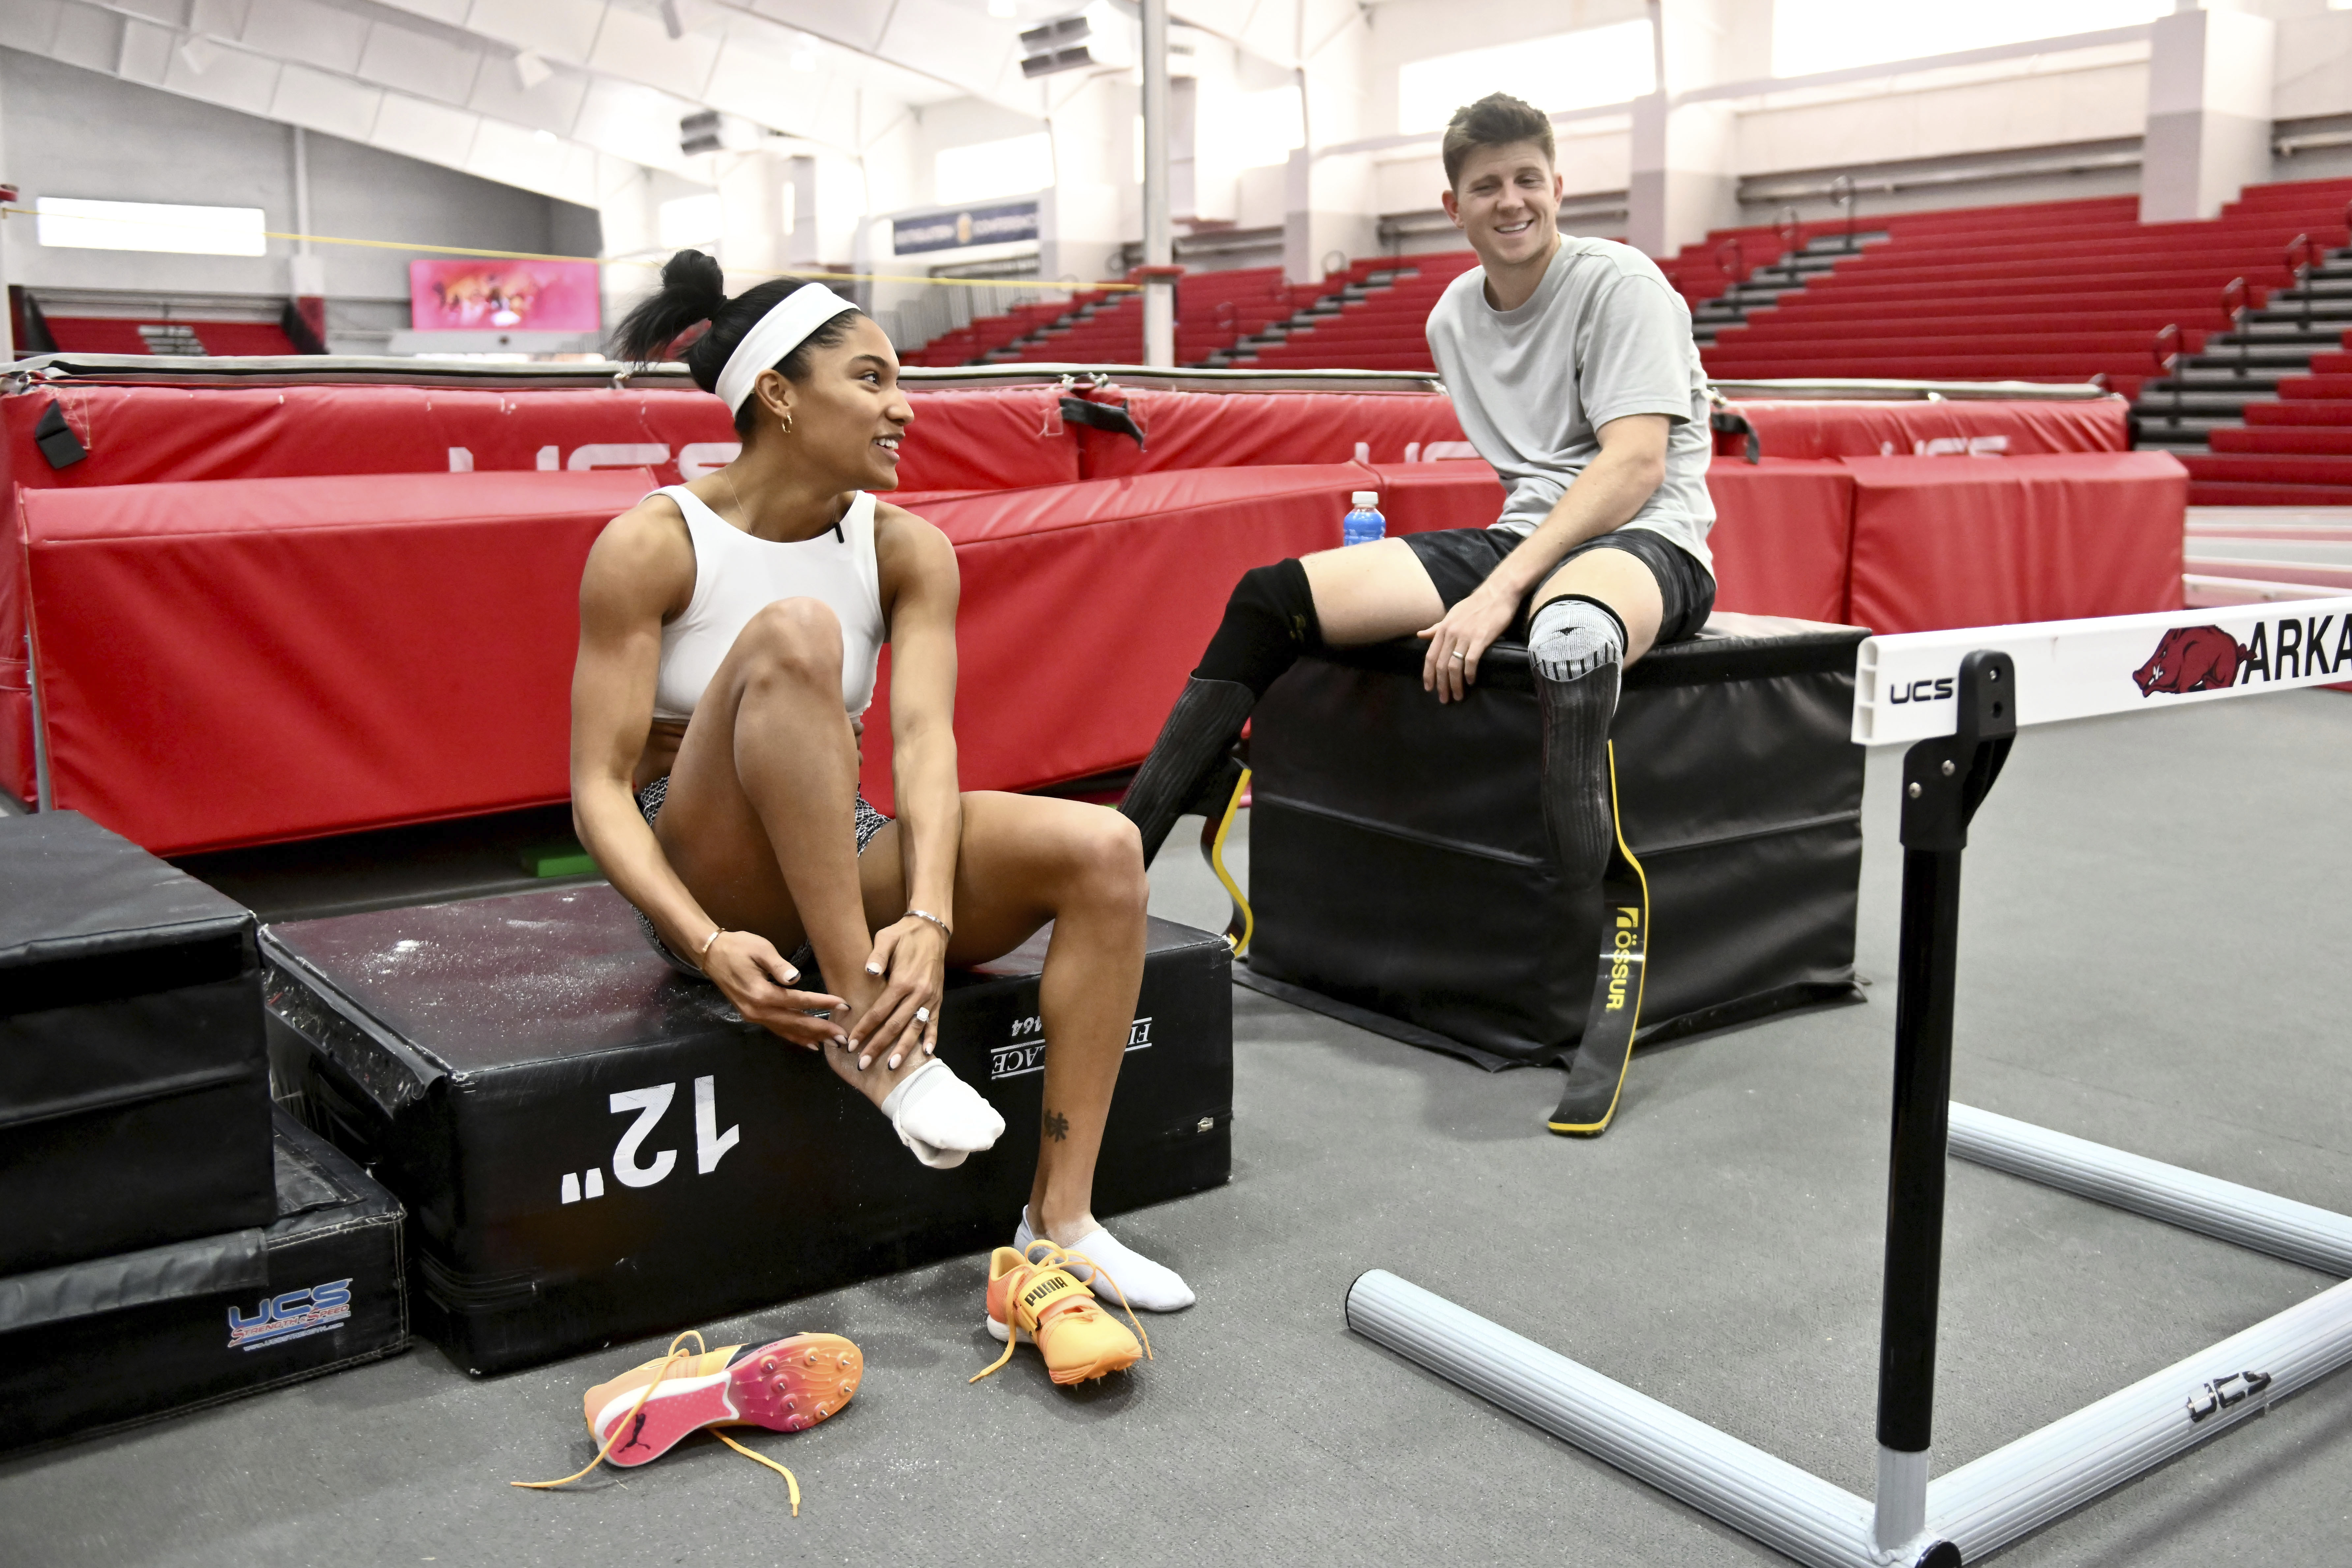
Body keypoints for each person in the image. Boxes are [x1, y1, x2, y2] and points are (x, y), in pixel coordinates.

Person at [570, 251, 1192, 1323]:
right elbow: (596, 789)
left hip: (840, 838)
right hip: (706, 859)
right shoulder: (652, 542)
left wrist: (930, 911)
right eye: (871, 379)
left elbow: (924, 746)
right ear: (778, 395)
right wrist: (707, 944)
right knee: (795, 635)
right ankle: (877, 1041)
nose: (903, 408)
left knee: (1105, 851)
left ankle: (1065, 1221)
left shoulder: (910, 549)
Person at [1118, 93, 1717, 1115]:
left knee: (1570, 642)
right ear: (1455, 205)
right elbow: (1531, 487)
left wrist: (1499, 593)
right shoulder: (1452, 316)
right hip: (1523, 535)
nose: (1512, 199)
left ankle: (1578, 971)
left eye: (1529, 178)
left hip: (1646, 540)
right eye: (1488, 185)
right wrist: (1498, 573)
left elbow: (1632, 467)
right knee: (1270, 599)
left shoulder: (1623, 286)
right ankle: (1116, 860)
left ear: (1558, 185)